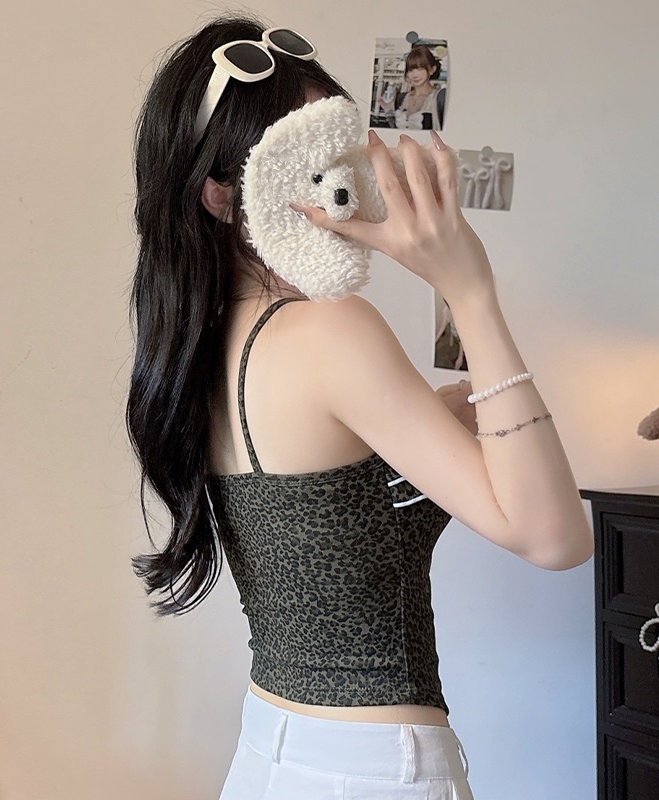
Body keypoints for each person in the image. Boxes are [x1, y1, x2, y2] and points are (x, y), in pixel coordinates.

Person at [128, 15, 593, 800]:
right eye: (306, 162)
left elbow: (326, 513)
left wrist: (426, 428)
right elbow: (556, 539)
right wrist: (468, 287)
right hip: (377, 769)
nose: (342, 190)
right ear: (221, 195)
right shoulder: (332, 331)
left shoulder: (203, 347)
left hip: (268, 755)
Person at [391, 45, 446, 130]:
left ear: (432, 69)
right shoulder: (401, 98)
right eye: (410, 70)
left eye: (420, 69)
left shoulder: (440, 98)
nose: (415, 75)